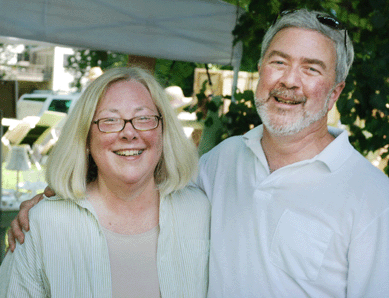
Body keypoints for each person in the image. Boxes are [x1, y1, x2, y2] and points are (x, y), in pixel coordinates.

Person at [6, 8, 389, 298]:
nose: (289, 80)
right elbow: (137, 177)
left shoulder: (373, 198)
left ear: (335, 92)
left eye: (311, 68)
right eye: (279, 62)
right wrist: (49, 203)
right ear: (260, 71)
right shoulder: (222, 163)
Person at [0, 67, 210, 297]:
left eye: (144, 118)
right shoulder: (42, 225)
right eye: (110, 120)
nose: (129, 133)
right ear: (86, 138)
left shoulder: (201, 213)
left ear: (163, 131)